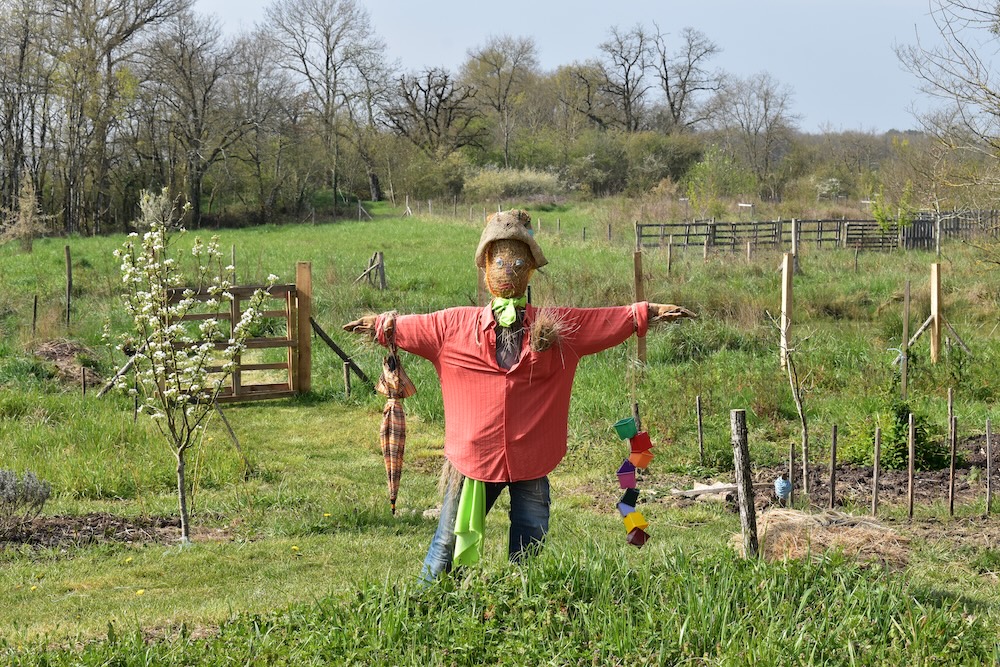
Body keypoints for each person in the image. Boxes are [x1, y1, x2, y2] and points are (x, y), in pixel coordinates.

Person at [344, 209, 695, 584]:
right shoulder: (453, 326)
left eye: (517, 263)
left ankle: (521, 601)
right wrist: (379, 325)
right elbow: (408, 326)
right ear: (485, 268)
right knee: (447, 543)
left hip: (531, 456)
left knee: (530, 544)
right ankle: (425, 603)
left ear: (529, 270)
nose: (507, 270)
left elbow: (604, 320)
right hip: (473, 459)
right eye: (499, 262)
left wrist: (648, 313)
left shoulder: (557, 327)